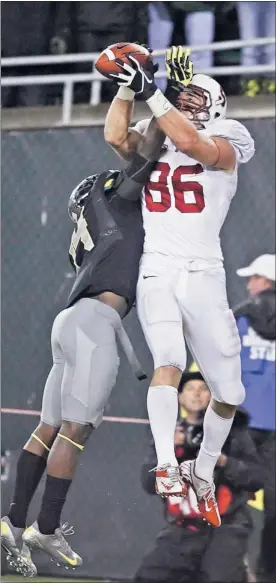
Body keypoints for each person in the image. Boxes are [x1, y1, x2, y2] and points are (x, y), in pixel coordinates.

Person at [104, 45, 255, 527]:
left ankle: (203, 466)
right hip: (160, 267)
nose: (185, 102)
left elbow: (194, 144)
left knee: (229, 393)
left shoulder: (230, 136)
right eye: (182, 95)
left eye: (195, 97)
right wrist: (132, 88)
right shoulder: (160, 131)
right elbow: (115, 136)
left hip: (205, 274)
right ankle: (168, 465)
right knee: (167, 360)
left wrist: (159, 97)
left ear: (216, 107)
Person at [1, 133, 165, 576]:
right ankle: (46, 527)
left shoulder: (85, 236)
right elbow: (144, 161)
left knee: (48, 427)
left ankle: (14, 522)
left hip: (71, 321)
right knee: (75, 432)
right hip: (96, 323)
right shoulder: (118, 202)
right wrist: (164, 109)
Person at [134, 364, 262, 583]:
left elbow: (256, 478)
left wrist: (220, 459)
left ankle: (239, 571)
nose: (196, 393)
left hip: (226, 527)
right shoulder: (169, 437)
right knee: (150, 575)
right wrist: (170, 452)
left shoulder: (233, 434)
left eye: (203, 389)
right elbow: (149, 483)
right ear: (180, 398)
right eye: (190, 388)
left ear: (212, 398)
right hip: (183, 527)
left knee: (220, 576)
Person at [235, 254, 276, 582]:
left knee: (230, 500)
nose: (249, 285)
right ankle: (266, 574)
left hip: (242, 425)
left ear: (266, 282)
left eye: (254, 278)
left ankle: (228, 569)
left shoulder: (239, 318)